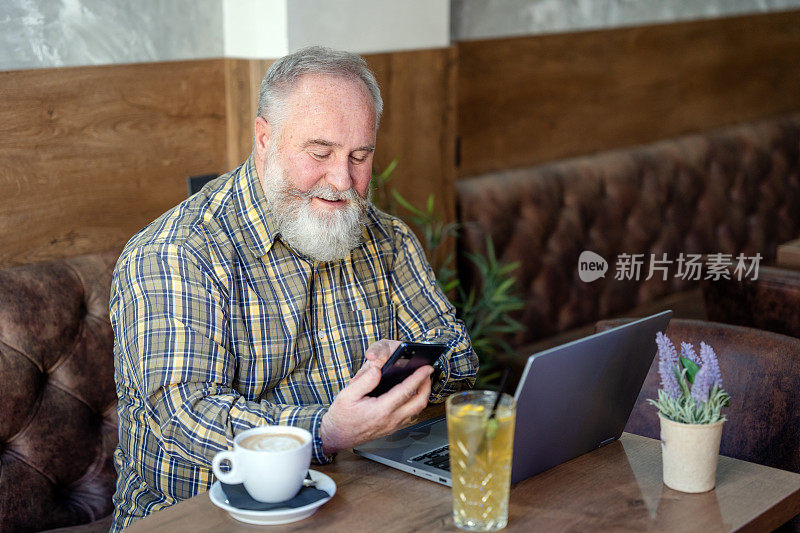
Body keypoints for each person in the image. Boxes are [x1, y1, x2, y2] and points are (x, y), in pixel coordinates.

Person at [109, 46, 477, 531]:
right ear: (264, 138)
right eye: (320, 153)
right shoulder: (176, 253)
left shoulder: (387, 239)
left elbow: (460, 360)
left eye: (360, 156)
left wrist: (404, 365)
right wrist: (324, 432)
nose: (343, 180)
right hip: (201, 517)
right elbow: (185, 414)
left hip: (357, 504)